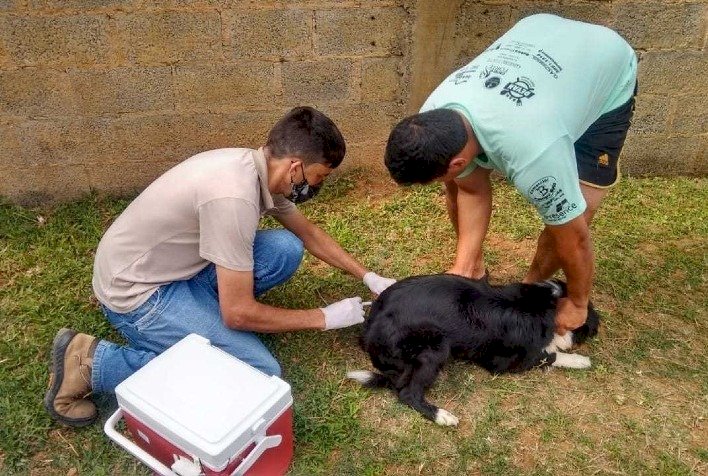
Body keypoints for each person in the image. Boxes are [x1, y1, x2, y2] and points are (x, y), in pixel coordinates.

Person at [44, 106, 396, 428]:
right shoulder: (233, 198)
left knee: (285, 247)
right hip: (138, 295)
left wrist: (368, 276)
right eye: (319, 177)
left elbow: (309, 234)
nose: (317, 186)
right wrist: (324, 317)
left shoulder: (255, 168)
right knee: (258, 371)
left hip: (174, 268)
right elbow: (238, 315)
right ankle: (93, 363)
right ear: (294, 167)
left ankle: (198, 318)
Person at [384, 14, 637, 335]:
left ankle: (530, 290)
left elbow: (574, 236)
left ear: (456, 164)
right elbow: (471, 190)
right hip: (539, 33)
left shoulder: (535, 153)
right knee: (461, 191)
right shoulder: (435, 117)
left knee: (578, 210)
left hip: (605, 64)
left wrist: (577, 302)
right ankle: (472, 268)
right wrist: (464, 269)